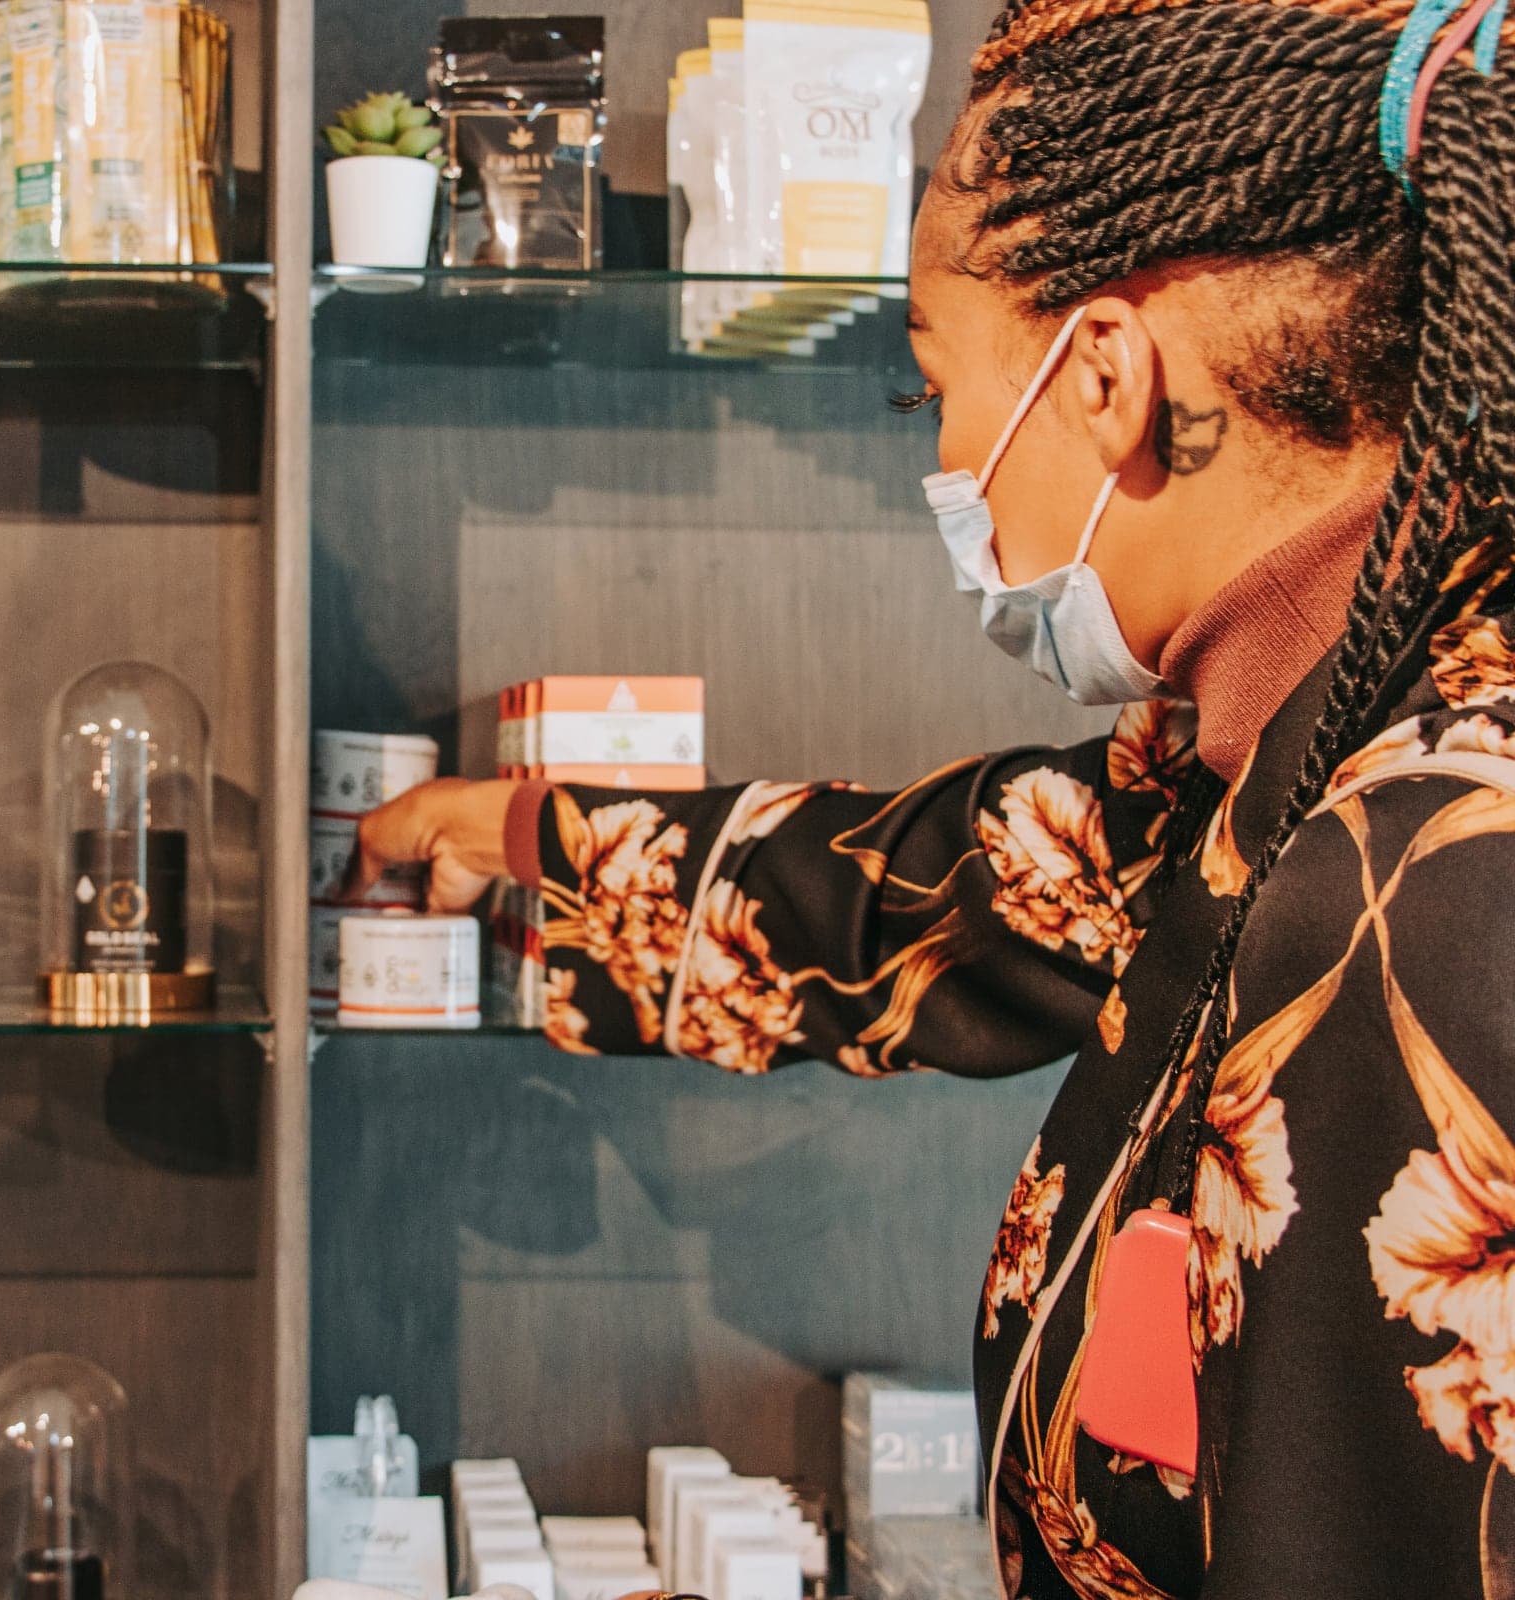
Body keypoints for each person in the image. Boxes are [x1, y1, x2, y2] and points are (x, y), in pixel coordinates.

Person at [348, 0, 1515, 1593]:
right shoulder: (1293, 750)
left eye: (933, 394)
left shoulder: (1430, 885)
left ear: (1107, 376)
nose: (952, 464)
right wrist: (526, 838)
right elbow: (952, 886)